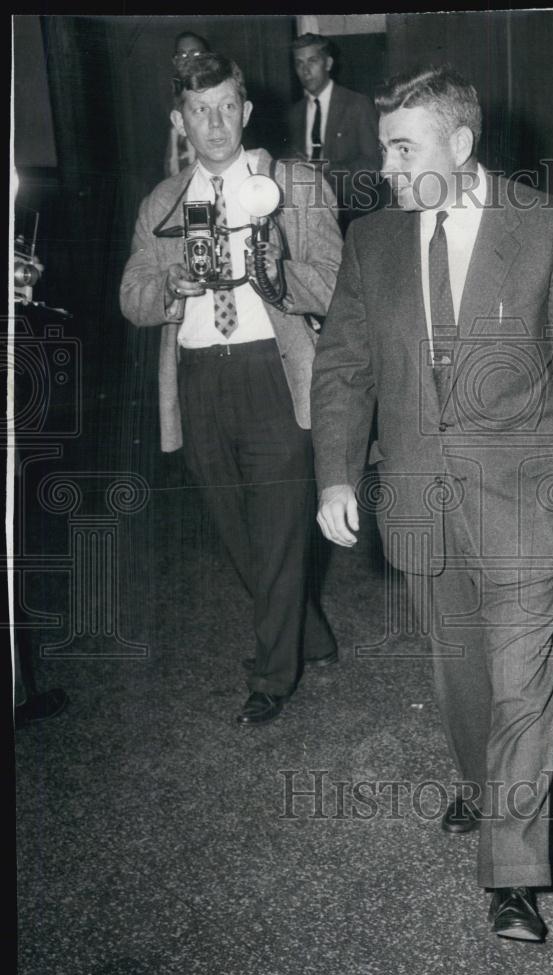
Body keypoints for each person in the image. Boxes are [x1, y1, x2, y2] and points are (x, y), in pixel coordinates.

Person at [311, 65, 553, 940]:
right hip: (420, 496)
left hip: (528, 498)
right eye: (384, 146)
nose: (382, 165)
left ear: (459, 146)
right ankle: (477, 782)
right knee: (462, 679)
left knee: (522, 683)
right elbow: (343, 364)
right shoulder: (372, 239)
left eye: (400, 147)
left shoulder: (546, 227)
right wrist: (337, 473)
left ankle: (514, 875)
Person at [121, 52, 342, 726]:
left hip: (272, 374)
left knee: (276, 531)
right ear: (179, 120)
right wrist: (169, 287)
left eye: (225, 107)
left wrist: (278, 272)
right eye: (198, 109)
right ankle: (308, 634)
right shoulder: (161, 203)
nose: (214, 122)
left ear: (245, 113)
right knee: (237, 534)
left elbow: (336, 284)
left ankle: (271, 676)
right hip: (198, 380)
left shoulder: (295, 184)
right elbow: (132, 298)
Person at [288, 33, 381, 228]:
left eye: (312, 61)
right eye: (299, 63)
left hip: (351, 215)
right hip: (308, 217)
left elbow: (375, 165)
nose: (305, 70)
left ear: (328, 63)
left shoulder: (357, 104)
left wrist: (331, 169)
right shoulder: (294, 113)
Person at [164, 31, 211, 177]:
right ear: (175, 61)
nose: (188, 61)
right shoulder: (173, 96)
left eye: (196, 54)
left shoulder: (219, 95)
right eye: (182, 55)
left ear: (209, 58)